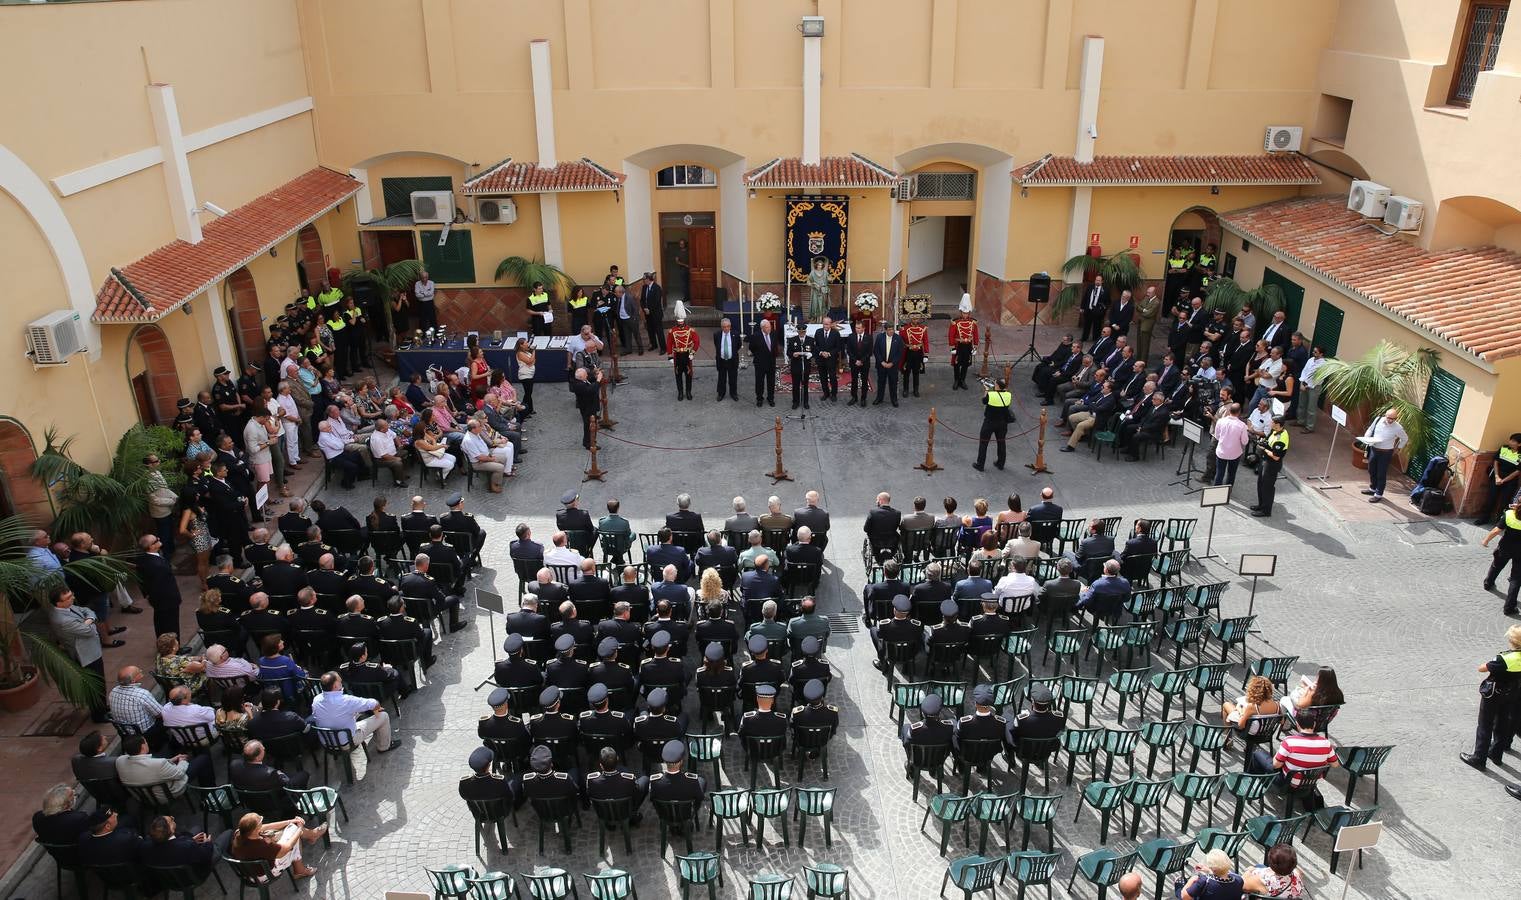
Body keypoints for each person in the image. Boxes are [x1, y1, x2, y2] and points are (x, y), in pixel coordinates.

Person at [1460, 624, 1521, 771]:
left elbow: (1482, 668)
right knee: (1502, 722)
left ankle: (1479, 758)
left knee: (1485, 724)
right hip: (1512, 693)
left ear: (1512, 641)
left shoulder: (1504, 658)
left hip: (1493, 693)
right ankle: (1496, 753)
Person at [48, 585, 107, 721]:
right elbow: (89, 631)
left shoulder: (68, 608)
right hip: (86, 656)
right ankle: (98, 715)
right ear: (59, 603)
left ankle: (102, 707)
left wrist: (88, 620)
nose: (73, 598)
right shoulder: (62, 620)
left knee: (100, 682)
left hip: (91, 650)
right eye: (69, 598)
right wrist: (91, 621)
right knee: (94, 686)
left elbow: (87, 610)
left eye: (71, 594)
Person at [230, 811, 326, 880]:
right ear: (255, 829)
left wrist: (290, 821)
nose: (262, 822)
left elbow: (267, 826)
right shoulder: (261, 846)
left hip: (249, 872)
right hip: (265, 874)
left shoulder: (239, 833)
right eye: (260, 821)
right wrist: (299, 828)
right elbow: (286, 848)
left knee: (291, 828)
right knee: (294, 835)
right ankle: (300, 869)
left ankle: (312, 836)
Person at [117, 733, 213, 796]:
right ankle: (208, 793)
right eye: (146, 742)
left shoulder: (119, 761)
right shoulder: (159, 764)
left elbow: (155, 765)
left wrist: (171, 760)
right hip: (166, 792)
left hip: (143, 796)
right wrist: (182, 761)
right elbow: (179, 773)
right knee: (203, 759)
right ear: (142, 747)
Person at [1360, 407, 1408, 503]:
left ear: (1396, 418)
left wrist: (1398, 448)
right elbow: (1370, 429)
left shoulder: (1398, 428)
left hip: (1385, 453)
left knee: (1381, 473)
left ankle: (1378, 494)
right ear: (1385, 415)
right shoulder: (1378, 420)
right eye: (1389, 417)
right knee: (1371, 469)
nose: (1390, 420)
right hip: (1374, 449)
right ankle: (1372, 488)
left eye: (1393, 419)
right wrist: (1366, 438)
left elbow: (1405, 438)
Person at [1482, 498, 1521, 614]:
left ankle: (1488, 584)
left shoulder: (1509, 514)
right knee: (1516, 579)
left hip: (1505, 547)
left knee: (1496, 566)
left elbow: (1496, 530)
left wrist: (1486, 540)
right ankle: (1509, 607)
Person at [1476, 433, 1521, 526]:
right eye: (1510, 440)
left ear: (1519, 444)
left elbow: (1517, 471)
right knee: (1490, 499)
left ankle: (1499, 522)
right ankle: (1484, 518)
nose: (1510, 442)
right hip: (1497, 478)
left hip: (1510, 482)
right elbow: (1496, 462)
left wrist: (1504, 480)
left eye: (1513, 441)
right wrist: (1497, 476)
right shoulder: (1504, 448)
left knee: (1505, 502)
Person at [1251, 417, 1290, 517]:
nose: (1270, 423)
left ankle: (1266, 510)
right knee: (1260, 484)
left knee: (1267, 487)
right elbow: (1268, 442)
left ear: (1278, 424)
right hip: (1265, 461)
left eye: (1272, 422)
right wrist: (1263, 443)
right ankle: (1261, 505)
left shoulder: (1281, 438)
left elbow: (1276, 457)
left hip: (1272, 464)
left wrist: (1264, 450)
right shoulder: (1274, 430)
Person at [973, 378, 1013, 471]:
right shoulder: (1008, 395)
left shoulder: (991, 395)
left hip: (990, 422)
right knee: (1001, 443)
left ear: (998, 386)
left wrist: (986, 390)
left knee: (983, 443)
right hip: (1002, 423)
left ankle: (980, 464)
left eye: (995, 384)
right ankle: (1000, 463)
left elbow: (984, 401)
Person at [1176, 849, 1244, 900]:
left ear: (1213, 868)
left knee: (1179, 882)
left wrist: (1191, 880)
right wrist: (1209, 870)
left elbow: (1185, 896)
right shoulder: (1239, 879)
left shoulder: (1204, 881)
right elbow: (1221, 878)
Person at [1211, 403, 1250, 487]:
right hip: (1235, 454)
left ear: (1229, 411)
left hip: (1221, 452)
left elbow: (1217, 436)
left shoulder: (1220, 421)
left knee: (1219, 473)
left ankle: (1215, 492)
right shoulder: (1242, 426)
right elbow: (1245, 442)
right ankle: (1227, 492)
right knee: (1231, 474)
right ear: (1239, 412)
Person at [666, 315, 699, 401]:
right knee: (678, 374)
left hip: (687, 355)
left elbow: (697, 341)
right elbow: (669, 343)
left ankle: (688, 392)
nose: (680, 322)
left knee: (689, 374)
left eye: (682, 320)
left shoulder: (690, 330)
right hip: (677, 355)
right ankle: (680, 392)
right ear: (676, 320)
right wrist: (670, 356)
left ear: (684, 320)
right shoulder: (672, 331)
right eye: (679, 320)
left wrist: (692, 352)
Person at [749, 318, 779, 407]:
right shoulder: (755, 336)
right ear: (762, 328)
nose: (769, 329)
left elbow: (774, 347)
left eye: (769, 327)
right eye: (767, 327)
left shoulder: (773, 334)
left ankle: (770, 398)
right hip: (760, 363)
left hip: (771, 363)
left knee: (771, 381)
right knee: (759, 382)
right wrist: (760, 355)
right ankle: (759, 398)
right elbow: (752, 348)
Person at [813, 317, 843, 401]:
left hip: (831, 359)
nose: (825, 326)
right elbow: (815, 345)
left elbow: (838, 347)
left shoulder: (835, 333)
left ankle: (833, 394)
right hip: (821, 359)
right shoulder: (818, 332)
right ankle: (826, 393)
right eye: (824, 324)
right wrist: (821, 352)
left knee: (833, 377)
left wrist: (829, 353)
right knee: (823, 377)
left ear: (831, 324)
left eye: (827, 324)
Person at [711, 317, 741, 402]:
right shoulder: (717, 334)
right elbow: (717, 345)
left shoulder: (735, 334)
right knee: (721, 378)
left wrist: (732, 353)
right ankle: (721, 393)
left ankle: (733, 393)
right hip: (722, 360)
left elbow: (738, 345)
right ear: (721, 327)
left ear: (730, 326)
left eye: (728, 326)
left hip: (732, 360)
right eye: (724, 327)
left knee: (733, 378)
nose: (726, 328)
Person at [786, 325, 813, 410]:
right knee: (795, 385)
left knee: (805, 385)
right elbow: (788, 352)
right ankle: (795, 401)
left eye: (803, 332)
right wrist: (793, 354)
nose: (801, 333)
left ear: (806, 331)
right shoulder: (792, 340)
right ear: (797, 331)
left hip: (806, 366)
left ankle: (805, 402)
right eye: (800, 332)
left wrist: (811, 354)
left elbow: (814, 351)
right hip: (796, 365)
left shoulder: (810, 340)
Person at [847, 322, 873, 405]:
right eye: (856, 328)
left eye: (859, 328)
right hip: (854, 363)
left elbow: (870, 352)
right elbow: (849, 351)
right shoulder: (851, 336)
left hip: (864, 363)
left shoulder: (869, 337)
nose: (857, 329)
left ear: (863, 328)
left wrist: (861, 361)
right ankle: (854, 397)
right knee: (854, 381)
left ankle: (863, 398)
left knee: (864, 381)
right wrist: (856, 361)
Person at [1078, 275, 1109, 342]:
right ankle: (1084, 338)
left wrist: (1103, 309)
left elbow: (1108, 301)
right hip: (1089, 309)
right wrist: (1082, 307)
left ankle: (1095, 339)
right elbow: (1085, 297)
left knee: (1097, 326)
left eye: (1099, 280)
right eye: (1096, 280)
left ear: (1102, 281)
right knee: (1086, 325)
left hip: (1098, 311)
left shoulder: (1105, 290)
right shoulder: (1090, 287)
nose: (1097, 282)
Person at [641, 272, 666, 353]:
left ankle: (663, 348)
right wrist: (644, 308)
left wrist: (650, 310)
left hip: (656, 313)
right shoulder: (644, 287)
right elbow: (642, 300)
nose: (643, 281)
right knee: (650, 330)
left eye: (644, 279)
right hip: (647, 314)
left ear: (648, 279)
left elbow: (657, 301)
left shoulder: (657, 288)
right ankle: (653, 344)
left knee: (659, 331)